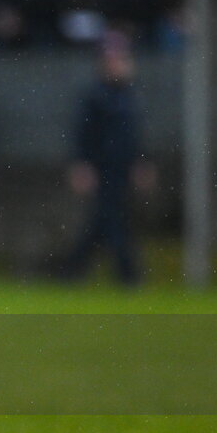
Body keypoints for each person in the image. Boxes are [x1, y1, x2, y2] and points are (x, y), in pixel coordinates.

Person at [58, 35, 154, 285]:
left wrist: (140, 162)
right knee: (112, 220)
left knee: (103, 222)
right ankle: (128, 274)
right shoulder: (95, 97)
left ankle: (71, 270)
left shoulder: (131, 95)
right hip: (103, 168)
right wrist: (82, 165)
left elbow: (135, 136)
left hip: (121, 168)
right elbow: (84, 135)